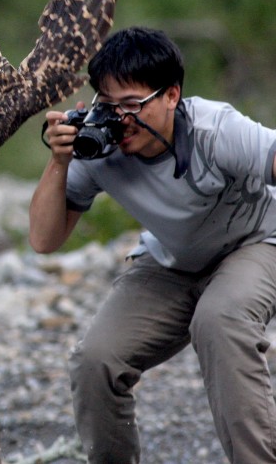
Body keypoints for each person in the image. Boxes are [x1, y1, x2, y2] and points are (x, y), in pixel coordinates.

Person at [28, 26, 276, 463]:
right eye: (108, 104)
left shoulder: (214, 129)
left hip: (255, 242)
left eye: (132, 105)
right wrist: (59, 161)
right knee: (96, 360)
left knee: (220, 320)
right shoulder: (100, 146)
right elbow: (44, 240)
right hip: (173, 261)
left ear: (171, 95)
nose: (120, 119)